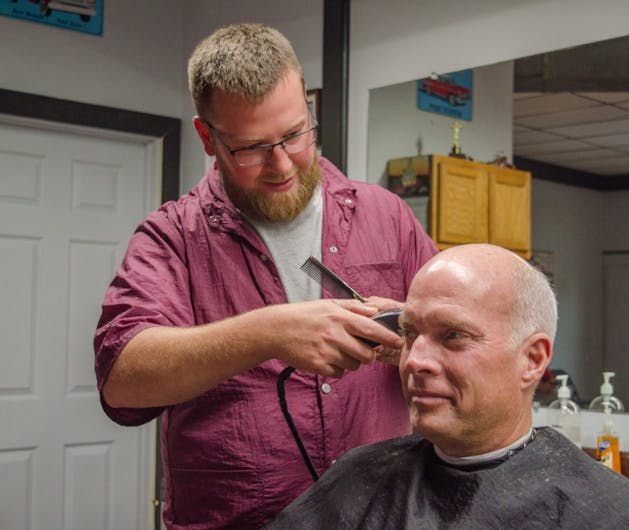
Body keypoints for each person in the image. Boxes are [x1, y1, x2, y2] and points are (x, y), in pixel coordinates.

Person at [93, 23, 438, 529]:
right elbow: (122, 379)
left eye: (296, 134)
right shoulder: (172, 237)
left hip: (383, 517)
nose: (282, 165)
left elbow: (462, 331)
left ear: (308, 106)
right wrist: (268, 333)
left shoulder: (387, 215)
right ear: (207, 138)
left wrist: (409, 332)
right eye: (251, 148)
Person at [269, 244, 629, 529]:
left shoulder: (608, 512)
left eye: (453, 336)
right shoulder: (362, 476)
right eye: (410, 333)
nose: (414, 360)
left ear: (532, 360)